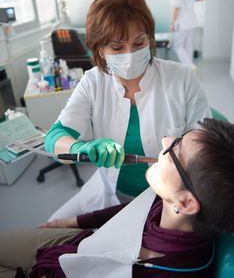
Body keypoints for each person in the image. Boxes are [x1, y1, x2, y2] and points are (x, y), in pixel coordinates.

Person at [44, 0, 210, 221]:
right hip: (110, 195)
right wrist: (80, 149)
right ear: (100, 49)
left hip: (167, 203)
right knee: (49, 229)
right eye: (117, 47)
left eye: (139, 42)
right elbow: (54, 138)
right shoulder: (93, 82)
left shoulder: (182, 79)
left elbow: (204, 146)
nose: (130, 53)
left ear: (149, 38)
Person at [1, 118, 234, 278]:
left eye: (175, 148)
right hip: (84, 242)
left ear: (185, 202)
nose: (165, 139)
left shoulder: (161, 269)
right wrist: (69, 222)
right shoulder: (171, 203)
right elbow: (129, 212)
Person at [170, 0, 210, 67]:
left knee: (178, 46)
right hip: (192, 20)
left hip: (182, 21)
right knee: (188, 44)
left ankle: (190, 66)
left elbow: (176, 7)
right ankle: (190, 68)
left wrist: (173, 22)